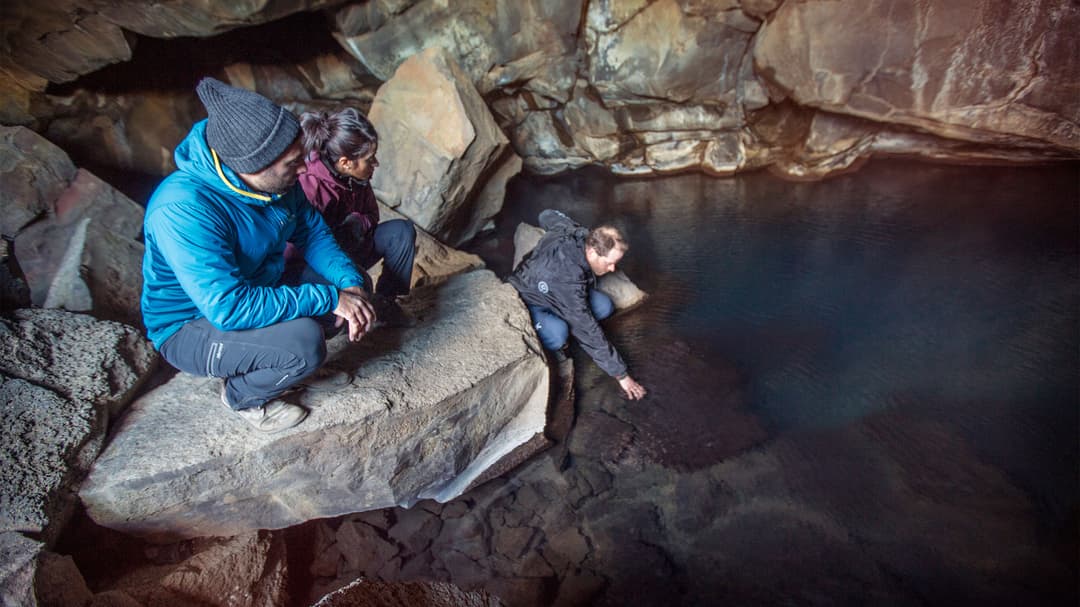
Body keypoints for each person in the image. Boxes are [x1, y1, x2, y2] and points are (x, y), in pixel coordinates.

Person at [140, 77, 376, 433]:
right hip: (190, 323)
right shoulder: (182, 209)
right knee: (304, 343)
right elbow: (228, 307)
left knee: (350, 286)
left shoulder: (277, 183)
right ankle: (243, 395)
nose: (304, 170)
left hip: (259, 284)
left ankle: (290, 367)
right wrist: (328, 298)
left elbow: (311, 233)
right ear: (253, 168)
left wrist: (349, 285)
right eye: (295, 163)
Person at [284, 108, 416, 326]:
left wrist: (355, 224)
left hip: (349, 245)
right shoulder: (310, 186)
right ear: (346, 162)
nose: (376, 164)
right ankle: (340, 318)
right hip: (316, 262)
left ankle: (385, 302)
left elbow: (371, 214)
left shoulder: (355, 178)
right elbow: (293, 253)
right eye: (370, 159)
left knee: (401, 232)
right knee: (360, 283)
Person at [508, 210, 648, 400]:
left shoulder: (576, 232)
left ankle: (563, 314)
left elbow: (546, 214)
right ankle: (554, 328)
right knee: (559, 335)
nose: (612, 269)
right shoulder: (566, 279)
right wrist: (622, 375)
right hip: (531, 298)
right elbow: (587, 329)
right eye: (609, 263)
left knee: (605, 306)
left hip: (557, 291)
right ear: (591, 251)